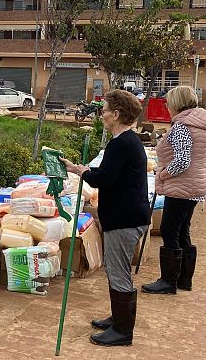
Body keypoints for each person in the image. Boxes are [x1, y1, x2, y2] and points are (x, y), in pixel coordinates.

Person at [61, 90, 151, 347]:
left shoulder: (121, 143)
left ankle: (123, 331)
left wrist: (83, 172)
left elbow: (105, 179)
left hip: (125, 218)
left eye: (105, 109)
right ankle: (118, 318)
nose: (102, 114)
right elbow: (110, 173)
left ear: (117, 114)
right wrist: (81, 169)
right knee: (115, 270)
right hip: (128, 215)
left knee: (118, 271)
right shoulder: (126, 141)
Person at [142, 86, 206, 295]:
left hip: (182, 186)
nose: (166, 105)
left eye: (168, 102)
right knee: (183, 230)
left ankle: (168, 281)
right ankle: (183, 279)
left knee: (169, 229)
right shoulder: (203, 126)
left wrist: (163, 173)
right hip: (196, 184)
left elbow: (182, 161)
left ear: (177, 103)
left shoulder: (183, 126)